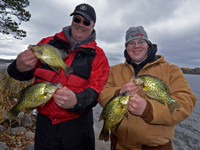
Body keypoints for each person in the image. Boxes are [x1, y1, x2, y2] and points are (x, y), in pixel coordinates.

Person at [7, 3, 109, 150]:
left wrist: (77, 101)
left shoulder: (98, 56)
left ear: (93, 26)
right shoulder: (47, 43)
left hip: (78, 126)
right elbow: (21, 74)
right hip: (45, 124)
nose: (80, 25)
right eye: (77, 19)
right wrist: (18, 66)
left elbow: (96, 91)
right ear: (72, 20)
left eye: (86, 22)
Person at [99, 26, 197, 150]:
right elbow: (102, 95)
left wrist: (148, 109)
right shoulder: (114, 70)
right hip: (118, 145)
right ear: (126, 47)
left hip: (155, 147)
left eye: (141, 42)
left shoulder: (171, 70)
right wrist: (119, 92)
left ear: (148, 44)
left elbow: (186, 103)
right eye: (131, 43)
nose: (136, 46)